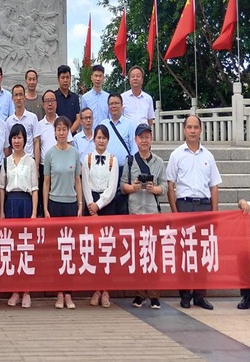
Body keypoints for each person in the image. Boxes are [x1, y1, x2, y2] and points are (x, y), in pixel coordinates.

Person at [166, 115, 221, 310]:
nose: (192, 130)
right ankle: (185, 295)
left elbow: (214, 186)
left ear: (200, 130)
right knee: (184, 252)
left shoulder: (208, 156)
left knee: (202, 252)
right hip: (184, 206)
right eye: (189, 127)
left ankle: (200, 295)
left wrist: (214, 213)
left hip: (204, 206)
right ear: (184, 130)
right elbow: (170, 185)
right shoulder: (176, 155)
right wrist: (175, 212)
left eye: (195, 127)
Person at [122, 123, 166, 310]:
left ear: (151, 139)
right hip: (135, 213)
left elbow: (164, 187)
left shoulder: (159, 162)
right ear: (136, 140)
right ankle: (139, 294)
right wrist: (134, 187)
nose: (144, 140)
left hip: (152, 214)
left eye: (147, 137)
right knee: (138, 255)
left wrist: (153, 188)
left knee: (154, 256)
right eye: (141, 137)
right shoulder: (130, 161)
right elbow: (123, 186)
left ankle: (155, 295)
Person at [43, 116, 82, 310]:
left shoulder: (75, 153)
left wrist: (80, 204)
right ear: (55, 132)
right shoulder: (49, 154)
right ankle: (59, 293)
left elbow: (77, 180)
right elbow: (46, 182)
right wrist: (45, 208)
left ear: (68, 131)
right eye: (58, 129)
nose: (61, 132)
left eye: (64, 129)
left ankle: (69, 293)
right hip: (54, 204)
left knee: (71, 251)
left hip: (71, 204)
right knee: (57, 252)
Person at [0, 124, 37, 308]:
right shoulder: (5, 161)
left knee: (26, 248)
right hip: (10, 203)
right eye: (14, 137)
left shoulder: (30, 161)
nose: (17, 141)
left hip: (26, 202)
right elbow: (1, 188)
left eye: (20, 137)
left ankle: (27, 290)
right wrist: (2, 212)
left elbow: (35, 189)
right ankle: (15, 290)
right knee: (13, 250)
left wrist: (34, 213)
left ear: (24, 140)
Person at [80, 124, 117, 308]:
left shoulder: (113, 160)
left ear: (107, 140)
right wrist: (90, 205)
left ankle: (106, 291)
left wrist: (99, 204)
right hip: (90, 203)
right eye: (98, 137)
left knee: (107, 249)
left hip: (107, 205)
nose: (101, 141)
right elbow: (85, 183)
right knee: (93, 249)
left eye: (104, 138)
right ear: (93, 139)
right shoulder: (86, 159)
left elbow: (112, 188)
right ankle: (95, 288)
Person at [34, 90, 72, 217]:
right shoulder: (39, 125)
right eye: (47, 101)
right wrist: (37, 167)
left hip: (62, 167)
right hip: (45, 166)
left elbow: (70, 144)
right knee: (45, 199)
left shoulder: (63, 123)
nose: (50, 104)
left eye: (52, 101)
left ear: (56, 103)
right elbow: (37, 146)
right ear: (43, 105)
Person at [100, 93, 135, 215]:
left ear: (122, 105)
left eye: (116, 103)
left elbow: (134, 149)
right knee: (108, 203)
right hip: (106, 170)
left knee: (122, 205)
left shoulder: (129, 124)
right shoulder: (103, 124)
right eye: (111, 103)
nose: (113, 106)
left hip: (124, 170)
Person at [6, 84, 37, 157]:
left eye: (21, 95)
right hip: (14, 161)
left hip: (30, 159)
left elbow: (36, 142)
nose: (18, 98)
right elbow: (8, 145)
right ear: (12, 98)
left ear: (25, 97)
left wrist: (36, 165)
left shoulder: (33, 118)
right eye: (16, 95)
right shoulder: (9, 121)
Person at [55, 65, 80, 134]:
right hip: (57, 136)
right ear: (58, 79)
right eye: (63, 78)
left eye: (67, 77)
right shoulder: (54, 97)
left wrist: (69, 133)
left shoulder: (75, 97)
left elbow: (78, 118)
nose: (65, 80)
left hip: (72, 135)